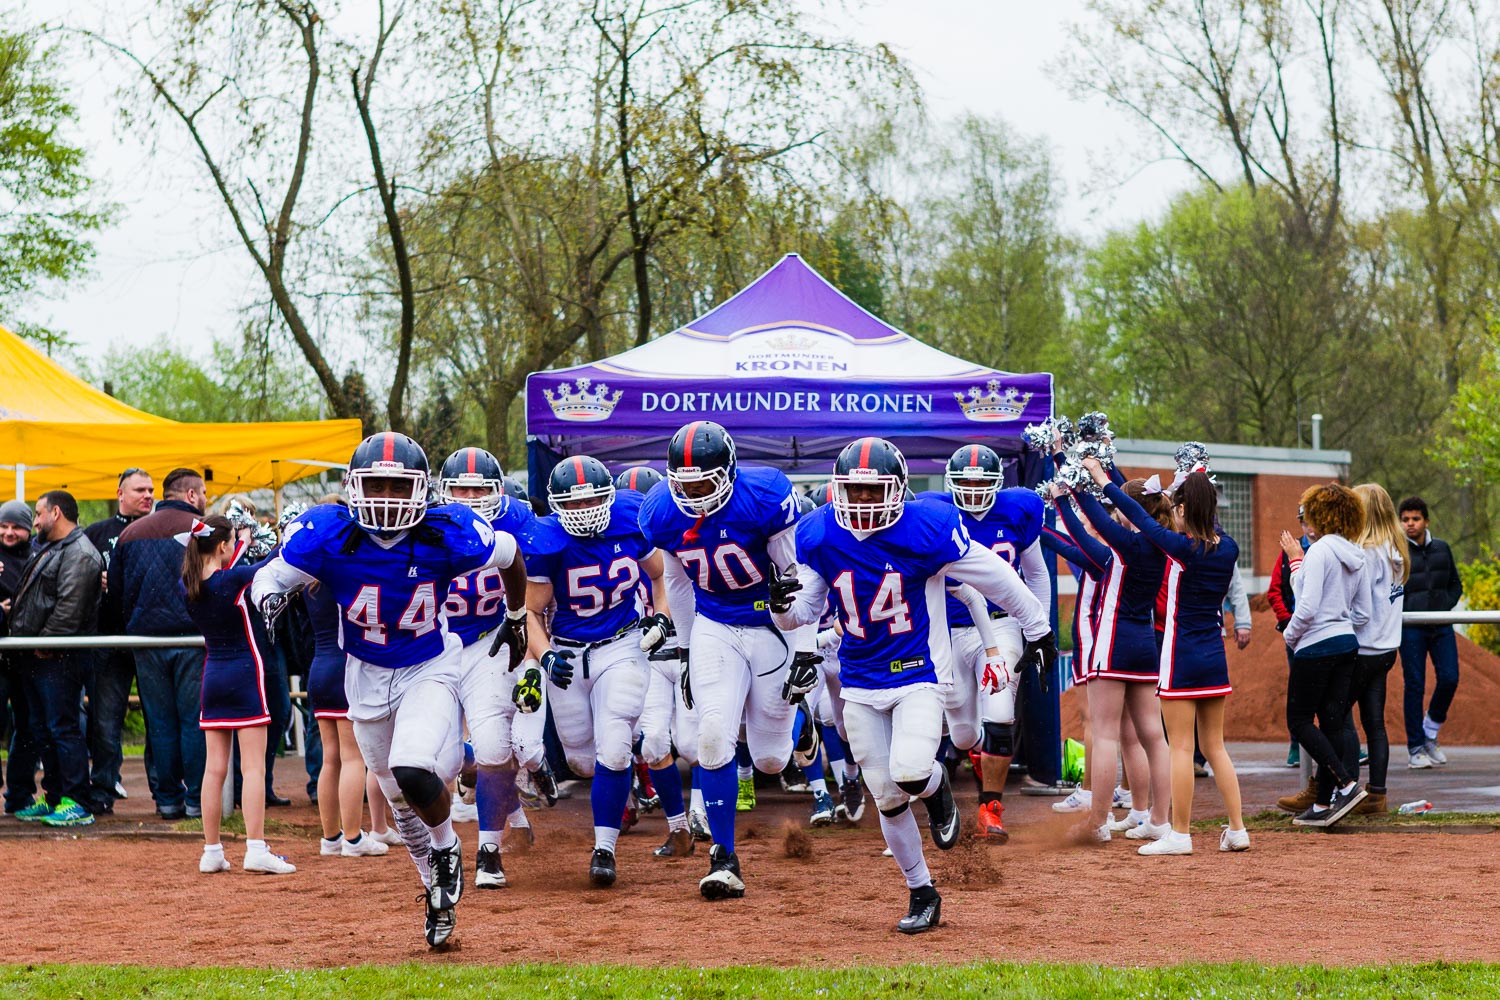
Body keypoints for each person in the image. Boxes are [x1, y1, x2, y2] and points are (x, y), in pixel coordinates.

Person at [251, 432, 529, 948]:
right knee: (396, 795)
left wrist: (515, 616)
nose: (384, 498)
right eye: (374, 484)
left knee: (411, 766)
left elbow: (511, 557)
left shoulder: (449, 531)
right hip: (365, 671)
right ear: (352, 487)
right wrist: (269, 599)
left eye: (396, 487)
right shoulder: (329, 532)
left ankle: (447, 850)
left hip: (428, 664)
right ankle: (435, 894)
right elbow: (268, 576)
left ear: (421, 491)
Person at [771, 437, 1053, 933]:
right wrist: (780, 606)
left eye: (872, 491)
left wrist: (1038, 626)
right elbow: (804, 615)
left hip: (918, 673)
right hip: (859, 681)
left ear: (898, 489)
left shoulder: (928, 528)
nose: (861, 503)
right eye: (852, 492)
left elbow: (997, 577)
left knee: (909, 770)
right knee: (885, 794)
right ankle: (922, 891)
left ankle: (939, 785)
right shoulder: (818, 533)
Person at [637, 420, 811, 901]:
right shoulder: (662, 513)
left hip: (773, 626)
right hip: (716, 626)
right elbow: (677, 583)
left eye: (703, 483)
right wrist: (689, 651)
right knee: (713, 737)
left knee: (772, 761)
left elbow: (802, 581)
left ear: (728, 473)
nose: (692, 494)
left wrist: (805, 649)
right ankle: (725, 857)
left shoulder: (764, 495)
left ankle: (804, 719)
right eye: (684, 484)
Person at [1084, 460, 1249, 854]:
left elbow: (1140, 515)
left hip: (1181, 657)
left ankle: (1180, 833)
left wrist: (1103, 479)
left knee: (1179, 747)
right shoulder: (1228, 547)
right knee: (1216, 747)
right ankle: (1238, 829)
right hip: (1214, 656)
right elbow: (1185, 519)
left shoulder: (1180, 547)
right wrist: (1192, 483)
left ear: (1182, 510)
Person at [526, 455, 665, 887]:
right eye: (574, 503)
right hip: (569, 651)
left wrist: (660, 617)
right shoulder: (548, 538)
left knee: (615, 744)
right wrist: (545, 654)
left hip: (621, 644)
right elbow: (530, 611)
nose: (585, 510)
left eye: (593, 499)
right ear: (556, 506)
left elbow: (659, 577)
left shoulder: (629, 514)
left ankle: (604, 848)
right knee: (584, 762)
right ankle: (625, 772)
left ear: (610, 496)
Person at [435, 446, 552, 890]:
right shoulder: (427, 525)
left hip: (491, 640)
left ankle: (488, 850)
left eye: (477, 489)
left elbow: (540, 577)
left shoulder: (518, 520)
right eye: (459, 489)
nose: (467, 497)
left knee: (492, 746)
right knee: (441, 761)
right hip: (436, 647)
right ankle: (511, 812)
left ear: (497, 491)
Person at [926, 444, 1051, 841]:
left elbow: (1037, 575)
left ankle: (990, 808)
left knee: (999, 713)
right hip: (947, 628)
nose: (975, 489)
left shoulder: (1017, 510)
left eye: (983, 482)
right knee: (962, 734)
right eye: (967, 482)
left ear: (999, 483)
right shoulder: (935, 513)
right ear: (952, 482)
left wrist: (1039, 632)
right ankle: (978, 759)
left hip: (999, 627)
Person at [182, 515, 296, 875]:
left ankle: (211, 850)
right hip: (246, 673)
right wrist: (282, 536)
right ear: (222, 547)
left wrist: (240, 541)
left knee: (213, 769)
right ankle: (256, 847)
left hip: (212, 675)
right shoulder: (230, 580)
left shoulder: (189, 586)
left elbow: (225, 572)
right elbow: (271, 564)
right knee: (252, 767)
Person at [1066, 476, 1174, 846]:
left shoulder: (1127, 545)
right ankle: (1156, 818)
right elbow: (1086, 539)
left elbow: (1090, 528)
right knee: (1153, 737)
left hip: (1113, 644)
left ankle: (1097, 822)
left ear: (1130, 512)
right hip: (1146, 644)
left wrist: (1069, 494)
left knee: (1106, 734)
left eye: (1120, 509)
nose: (1114, 514)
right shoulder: (1160, 545)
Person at [112, 467, 209, 820]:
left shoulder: (129, 533)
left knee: (161, 722)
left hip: (146, 639)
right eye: (203, 493)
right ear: (192, 495)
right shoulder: (203, 530)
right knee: (194, 721)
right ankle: (197, 800)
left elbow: (118, 593)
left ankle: (168, 800)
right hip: (193, 639)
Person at [616, 464, 702, 857]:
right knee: (651, 744)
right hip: (646, 658)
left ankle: (702, 813)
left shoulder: (684, 540)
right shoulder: (615, 545)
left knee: (695, 742)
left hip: (686, 650)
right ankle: (680, 827)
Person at [6, 491, 104, 827]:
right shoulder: (52, 548)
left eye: (37, 514)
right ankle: (55, 798)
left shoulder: (80, 552)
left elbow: (69, 609)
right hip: (37, 657)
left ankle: (76, 801)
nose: (34, 522)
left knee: (63, 729)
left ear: (56, 513)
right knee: (44, 729)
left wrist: (43, 644)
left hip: (58, 658)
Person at [1281, 483, 1370, 827]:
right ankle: (1321, 805)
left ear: (1319, 516)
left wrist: (1291, 637)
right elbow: (1362, 613)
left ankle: (1346, 784)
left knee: (1299, 721)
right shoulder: (1354, 554)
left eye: (1307, 517)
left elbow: (1307, 607)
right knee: (1332, 720)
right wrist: (1294, 564)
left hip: (1315, 646)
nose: (1304, 525)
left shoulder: (1319, 552)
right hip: (1346, 643)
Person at [82, 468, 156, 814]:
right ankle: (103, 789)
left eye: (151, 489)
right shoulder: (96, 533)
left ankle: (165, 793)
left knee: (158, 718)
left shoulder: (160, 530)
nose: (147, 495)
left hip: (149, 637)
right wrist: (93, 581)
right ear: (120, 493)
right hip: (107, 637)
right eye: (140, 489)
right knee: (105, 720)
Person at [1348, 485, 1406, 815]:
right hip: (1387, 646)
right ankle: (1377, 793)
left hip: (1365, 646)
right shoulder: (1397, 548)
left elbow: (1363, 608)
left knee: (1337, 715)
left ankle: (1344, 789)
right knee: (1374, 722)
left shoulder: (1368, 552)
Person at [1397, 496, 1463, 768]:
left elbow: (1455, 585)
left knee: (1449, 678)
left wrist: (1443, 606)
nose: (1410, 524)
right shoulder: (1397, 552)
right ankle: (1415, 747)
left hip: (1441, 625)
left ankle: (1430, 732)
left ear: (1426, 521)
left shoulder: (1442, 549)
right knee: (1415, 685)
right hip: (1411, 627)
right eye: (1405, 520)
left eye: (1415, 519)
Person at [1, 499, 40, 816]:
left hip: (29, 658)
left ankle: (19, 795)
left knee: (29, 728)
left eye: (16, 527)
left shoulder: (39, 556)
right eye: (4, 526)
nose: (9, 532)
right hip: (2, 657)